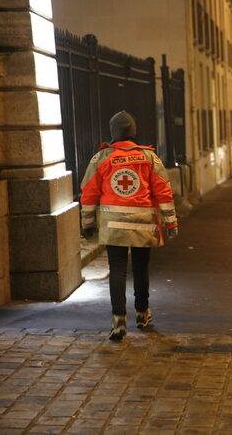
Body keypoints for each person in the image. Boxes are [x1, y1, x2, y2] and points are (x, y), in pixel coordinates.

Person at [80, 110, 178, 341]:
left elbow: (88, 193)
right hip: (143, 226)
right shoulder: (148, 157)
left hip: (113, 227)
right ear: (134, 132)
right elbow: (163, 191)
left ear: (113, 133)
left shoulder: (102, 158)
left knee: (117, 269)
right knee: (141, 269)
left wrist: (87, 224)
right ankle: (142, 314)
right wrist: (171, 222)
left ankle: (118, 321)